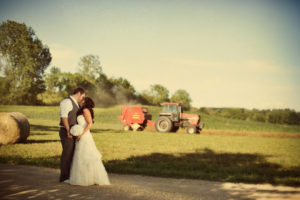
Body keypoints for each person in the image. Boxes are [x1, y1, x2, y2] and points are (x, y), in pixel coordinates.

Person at [69, 97, 110, 186]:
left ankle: (90, 178)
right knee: (81, 155)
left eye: (83, 100)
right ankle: (84, 177)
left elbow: (90, 123)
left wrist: (81, 133)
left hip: (85, 135)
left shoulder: (86, 110)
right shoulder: (82, 110)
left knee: (87, 155)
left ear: (86, 102)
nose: (81, 100)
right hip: (82, 134)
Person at [59, 88, 86, 183]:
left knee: (73, 153)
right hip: (67, 131)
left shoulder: (77, 104)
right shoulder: (66, 101)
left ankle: (70, 175)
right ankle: (64, 177)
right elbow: (64, 117)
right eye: (83, 96)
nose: (83, 98)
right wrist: (68, 131)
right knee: (67, 153)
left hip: (74, 132)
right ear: (79, 93)